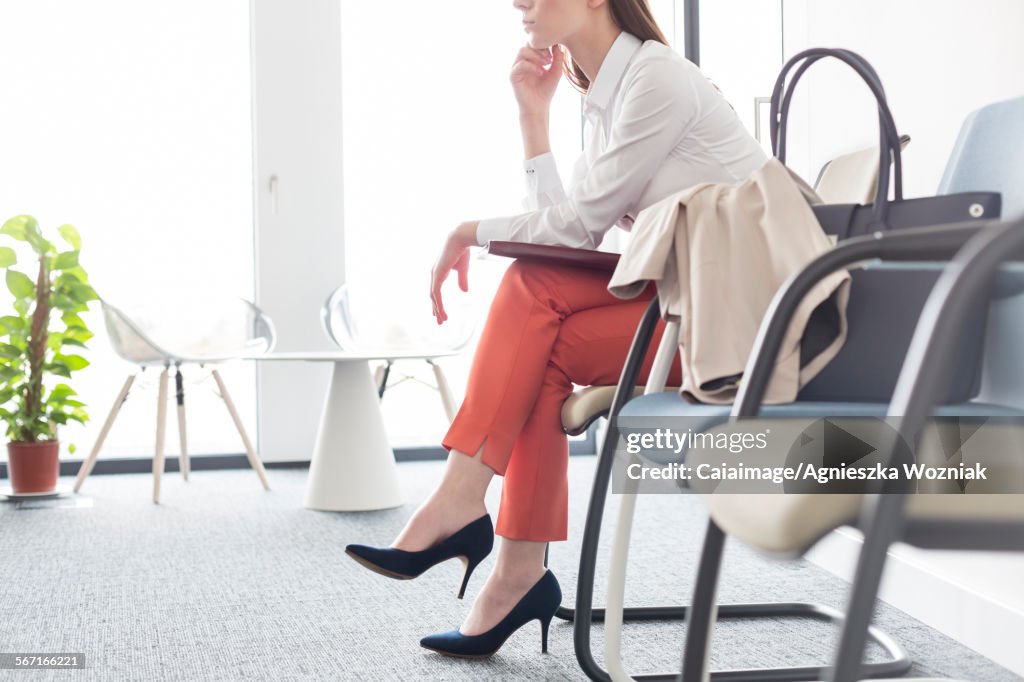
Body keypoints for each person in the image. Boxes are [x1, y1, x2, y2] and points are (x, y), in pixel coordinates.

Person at [346, 0, 767, 659]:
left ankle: (470, 516)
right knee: (533, 326)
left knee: (528, 298)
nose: (516, 1)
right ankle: (512, 568)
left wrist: (469, 230)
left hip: (734, 324)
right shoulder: (607, 96)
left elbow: (572, 230)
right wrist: (534, 118)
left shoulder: (656, 79)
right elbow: (565, 238)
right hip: (683, 303)